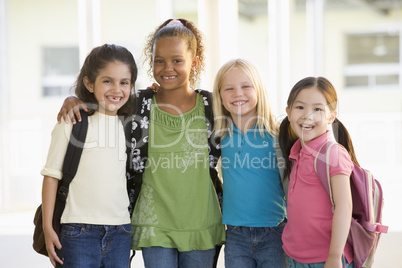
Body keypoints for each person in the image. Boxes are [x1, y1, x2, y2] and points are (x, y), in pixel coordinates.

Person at [56, 19, 225, 268]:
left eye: (177, 60)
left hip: (202, 223)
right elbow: (102, 101)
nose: (168, 67)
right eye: (159, 60)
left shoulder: (212, 107)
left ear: (195, 62)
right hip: (153, 224)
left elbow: (247, 109)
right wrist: (72, 98)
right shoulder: (137, 106)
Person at [41, 44, 137, 267]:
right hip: (78, 232)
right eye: (107, 81)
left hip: (121, 231)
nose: (116, 89)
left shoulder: (130, 125)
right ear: (88, 83)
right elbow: (51, 175)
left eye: (124, 82)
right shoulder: (73, 121)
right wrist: (48, 227)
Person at [212, 59, 288, 268]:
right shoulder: (220, 133)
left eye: (246, 86)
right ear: (219, 95)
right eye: (229, 88)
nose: (238, 93)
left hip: (275, 230)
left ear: (259, 90)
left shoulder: (278, 132)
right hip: (236, 234)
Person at [279, 76, 356, 268]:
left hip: (325, 259)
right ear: (288, 112)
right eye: (300, 107)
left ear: (331, 116)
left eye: (317, 109)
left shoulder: (333, 153)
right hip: (295, 257)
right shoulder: (297, 152)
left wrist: (334, 256)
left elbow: (344, 206)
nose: (308, 115)